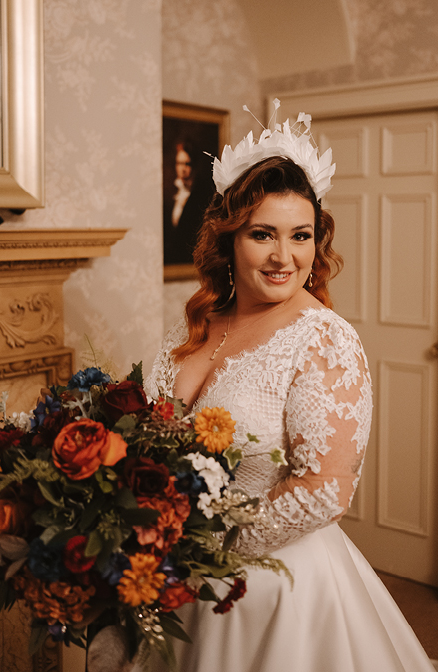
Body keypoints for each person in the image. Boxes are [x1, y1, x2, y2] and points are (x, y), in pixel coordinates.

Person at [143, 117, 435, 671]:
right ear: (227, 238)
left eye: (300, 236)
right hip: (167, 571)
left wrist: (206, 550)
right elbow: (143, 428)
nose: (284, 258)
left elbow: (326, 488)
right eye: (262, 234)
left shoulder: (323, 338)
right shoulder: (194, 325)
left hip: (270, 590)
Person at [163, 140, 213, 266]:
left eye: (187, 164)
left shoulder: (201, 194)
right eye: (179, 163)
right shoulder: (171, 192)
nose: (183, 168)